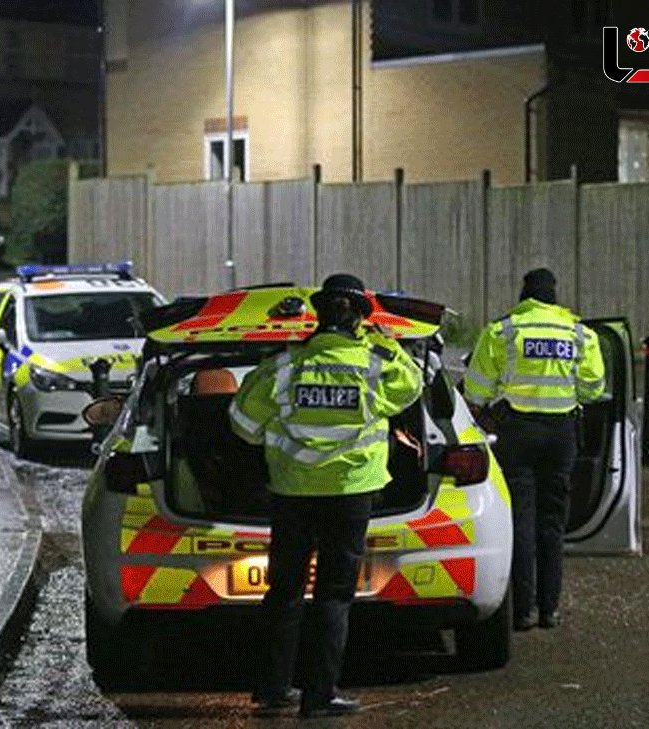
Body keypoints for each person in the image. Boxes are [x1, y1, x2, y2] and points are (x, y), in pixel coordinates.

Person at [229, 273, 422, 718]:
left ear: (319, 313)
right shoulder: (375, 364)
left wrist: (276, 438)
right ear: (359, 317)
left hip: (292, 491)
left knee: (285, 590)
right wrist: (389, 342)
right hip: (351, 493)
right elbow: (410, 388)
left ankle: (273, 689)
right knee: (334, 596)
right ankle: (320, 696)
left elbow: (241, 423)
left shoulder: (284, 366)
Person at [463, 267, 605, 631]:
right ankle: (550, 609)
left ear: (523, 295)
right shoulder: (580, 333)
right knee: (552, 522)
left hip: (518, 433)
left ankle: (522, 610)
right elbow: (592, 389)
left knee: (521, 519)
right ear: (554, 295)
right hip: (561, 434)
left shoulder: (503, 330)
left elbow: (476, 391)